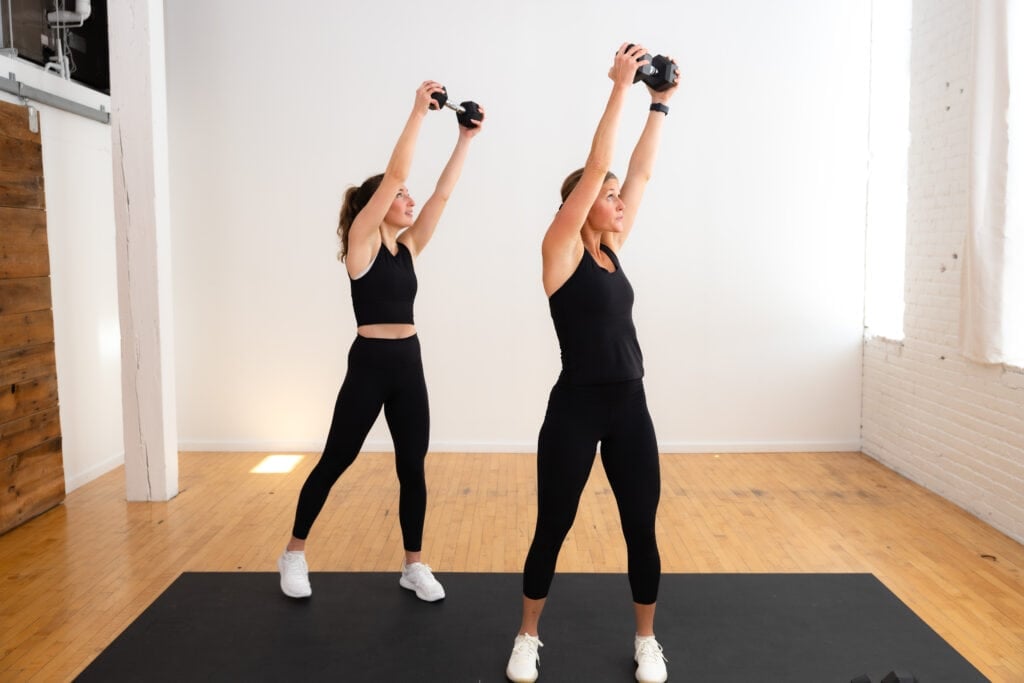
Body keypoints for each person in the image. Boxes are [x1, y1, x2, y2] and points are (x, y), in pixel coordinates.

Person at [505, 44, 679, 683]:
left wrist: (659, 104)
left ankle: (646, 641)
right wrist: (619, 87)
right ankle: (527, 637)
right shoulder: (561, 252)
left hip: (629, 403)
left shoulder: (612, 250)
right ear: (579, 204)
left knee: (642, 527)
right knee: (553, 523)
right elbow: (603, 164)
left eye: (615, 196)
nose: (619, 200)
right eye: (606, 197)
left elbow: (637, 173)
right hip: (576, 404)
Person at [278, 80, 484, 602]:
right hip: (369, 363)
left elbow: (441, 194)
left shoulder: (409, 248)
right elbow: (398, 174)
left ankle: (413, 565)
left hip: (407, 361)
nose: (408, 199)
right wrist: (418, 112)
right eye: (399, 197)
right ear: (377, 205)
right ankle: (294, 554)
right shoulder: (361, 246)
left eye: (407, 197)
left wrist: (464, 139)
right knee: (335, 459)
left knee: (412, 466)